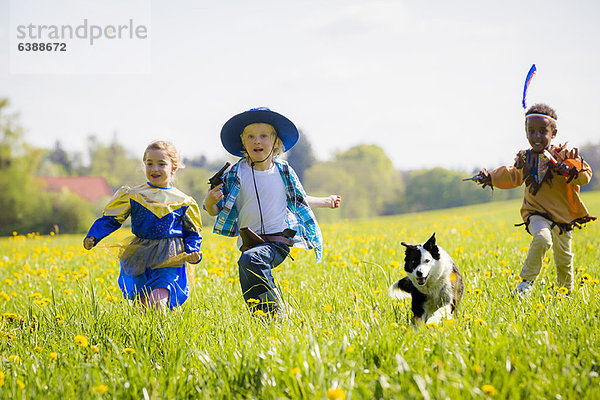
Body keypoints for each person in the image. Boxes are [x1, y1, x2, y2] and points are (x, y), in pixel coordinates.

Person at [204, 107, 341, 316]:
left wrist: (327, 201)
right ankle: (262, 318)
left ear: (275, 143)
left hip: (278, 241)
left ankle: (277, 312)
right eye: (250, 136)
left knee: (251, 260)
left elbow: (299, 199)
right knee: (248, 266)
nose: (257, 141)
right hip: (248, 242)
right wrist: (209, 201)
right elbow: (214, 210)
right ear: (243, 143)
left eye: (263, 136)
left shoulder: (283, 170)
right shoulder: (234, 173)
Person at [474, 104, 595, 296]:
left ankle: (564, 295)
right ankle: (526, 284)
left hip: (563, 219)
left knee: (564, 260)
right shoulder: (525, 158)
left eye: (542, 131)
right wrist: (490, 177)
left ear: (553, 133)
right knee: (542, 238)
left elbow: (584, 176)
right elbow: (511, 175)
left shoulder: (564, 156)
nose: (536, 136)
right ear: (526, 133)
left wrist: (571, 170)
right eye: (531, 131)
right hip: (536, 214)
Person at [83, 140, 203, 310]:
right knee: (142, 305)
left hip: (170, 257)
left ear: (173, 168)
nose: (154, 169)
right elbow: (111, 219)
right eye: (150, 163)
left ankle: (164, 333)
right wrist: (94, 235)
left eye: (161, 164)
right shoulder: (133, 195)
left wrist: (192, 251)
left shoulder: (184, 201)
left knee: (158, 301)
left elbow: (192, 232)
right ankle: (146, 335)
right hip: (140, 255)